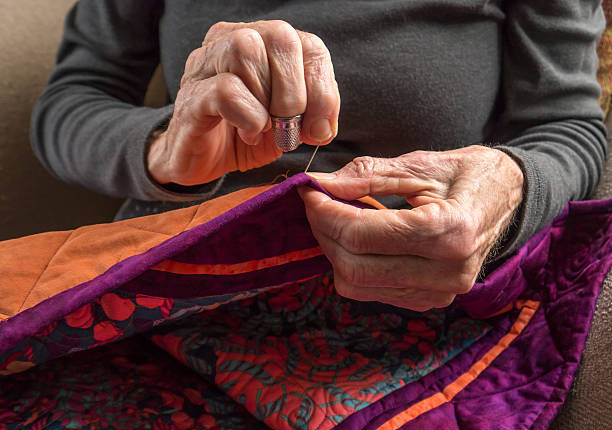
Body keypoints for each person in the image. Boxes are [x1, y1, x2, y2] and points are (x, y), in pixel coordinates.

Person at [31, 0, 607, 310]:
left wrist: (507, 187)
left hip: (415, 306)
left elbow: (568, 128)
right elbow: (69, 104)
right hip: (158, 288)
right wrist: (164, 149)